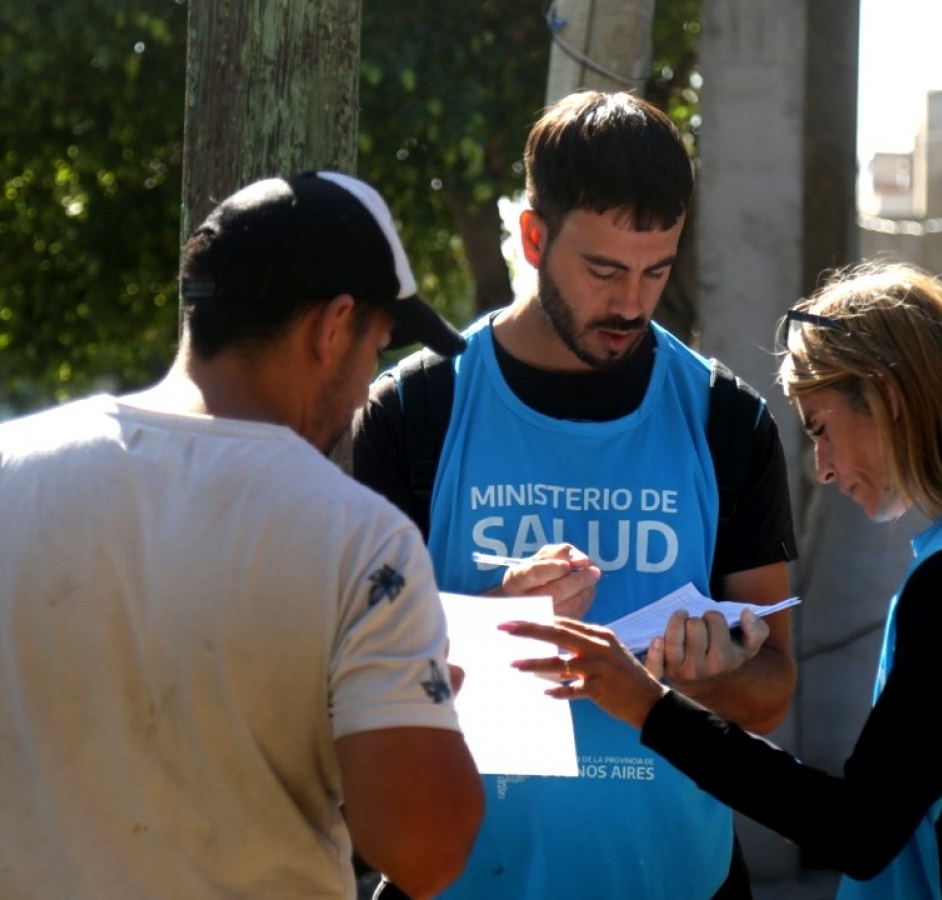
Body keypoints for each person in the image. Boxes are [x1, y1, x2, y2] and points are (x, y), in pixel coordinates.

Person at [0, 172, 485, 900]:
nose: (365, 390)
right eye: (377, 351)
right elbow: (424, 852)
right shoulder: (363, 542)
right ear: (333, 326)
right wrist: (422, 712)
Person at [504, 262, 942, 898]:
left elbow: (855, 829)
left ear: (886, 397)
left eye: (820, 428)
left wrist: (648, 706)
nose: (822, 468)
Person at [350, 90, 799, 899]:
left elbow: (773, 692)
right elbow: (351, 681)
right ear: (533, 237)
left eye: (656, 272)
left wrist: (708, 679)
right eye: (604, 271)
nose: (630, 304)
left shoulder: (728, 420)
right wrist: (493, 619)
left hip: (682, 883)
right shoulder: (416, 411)